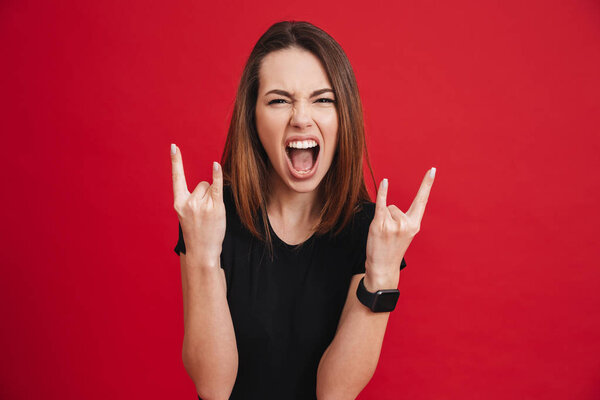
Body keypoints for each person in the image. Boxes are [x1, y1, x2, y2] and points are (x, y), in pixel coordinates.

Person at [170, 20, 435, 400]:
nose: (301, 117)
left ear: (344, 116)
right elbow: (213, 388)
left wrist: (382, 274)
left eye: (323, 99)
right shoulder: (211, 218)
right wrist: (204, 256)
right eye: (279, 100)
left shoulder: (368, 231)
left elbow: (335, 393)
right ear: (253, 117)